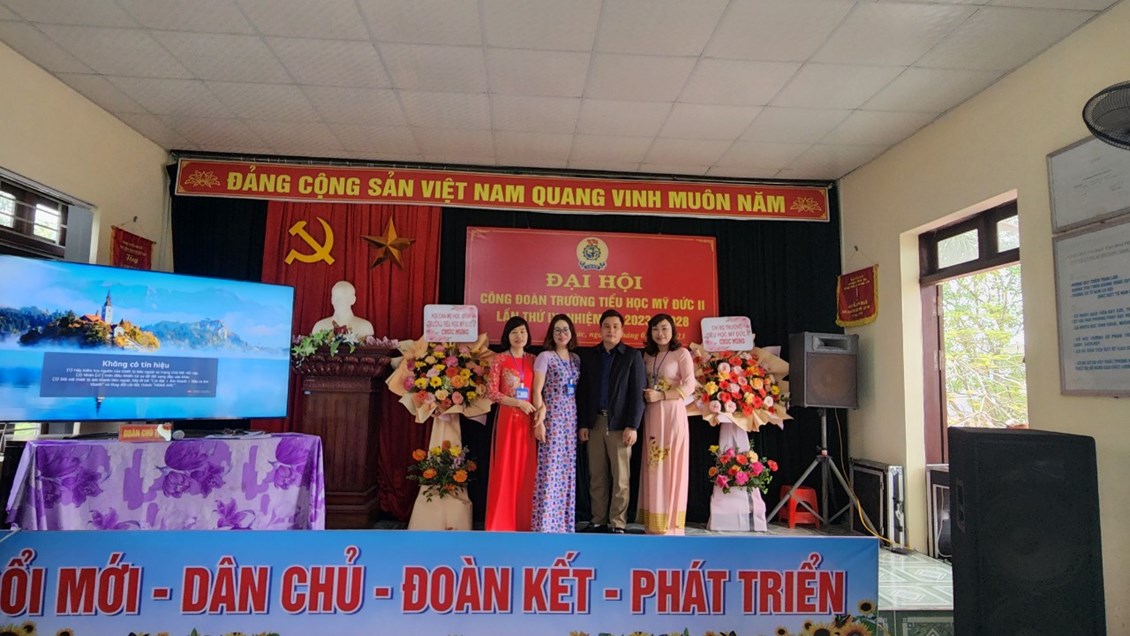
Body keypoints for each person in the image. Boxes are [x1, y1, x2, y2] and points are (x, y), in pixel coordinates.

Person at [577, 309, 646, 534]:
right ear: (600, 329)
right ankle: (598, 519)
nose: (611, 330)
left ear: (622, 330)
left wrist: (633, 425)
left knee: (621, 477)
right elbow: (583, 392)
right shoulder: (590, 356)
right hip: (595, 422)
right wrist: (583, 424)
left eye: (616, 326)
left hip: (620, 425)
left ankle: (618, 522)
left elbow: (637, 394)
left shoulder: (632, 356)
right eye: (606, 326)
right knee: (597, 475)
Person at [638, 313, 695, 535]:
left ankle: (671, 523)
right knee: (653, 464)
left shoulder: (681, 354)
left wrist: (661, 395)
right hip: (652, 414)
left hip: (672, 413)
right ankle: (653, 522)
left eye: (664, 328)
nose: (660, 334)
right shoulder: (647, 356)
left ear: (672, 331)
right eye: (655, 329)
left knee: (671, 464)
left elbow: (689, 386)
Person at [484, 316, 538, 531]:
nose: (519, 336)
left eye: (523, 332)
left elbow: (539, 390)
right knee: (505, 467)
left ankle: (524, 521)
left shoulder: (533, 359)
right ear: (507, 336)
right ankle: (501, 522)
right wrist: (517, 403)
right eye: (514, 332)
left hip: (529, 420)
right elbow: (491, 393)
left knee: (526, 469)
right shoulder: (500, 359)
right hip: (508, 419)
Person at [530, 314, 581, 533]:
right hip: (551, 418)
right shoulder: (545, 357)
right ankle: (545, 522)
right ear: (552, 334)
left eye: (566, 329)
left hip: (570, 419)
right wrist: (539, 422)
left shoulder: (576, 359)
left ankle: (563, 523)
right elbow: (536, 390)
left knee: (567, 470)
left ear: (571, 333)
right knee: (550, 468)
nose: (562, 334)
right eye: (557, 330)